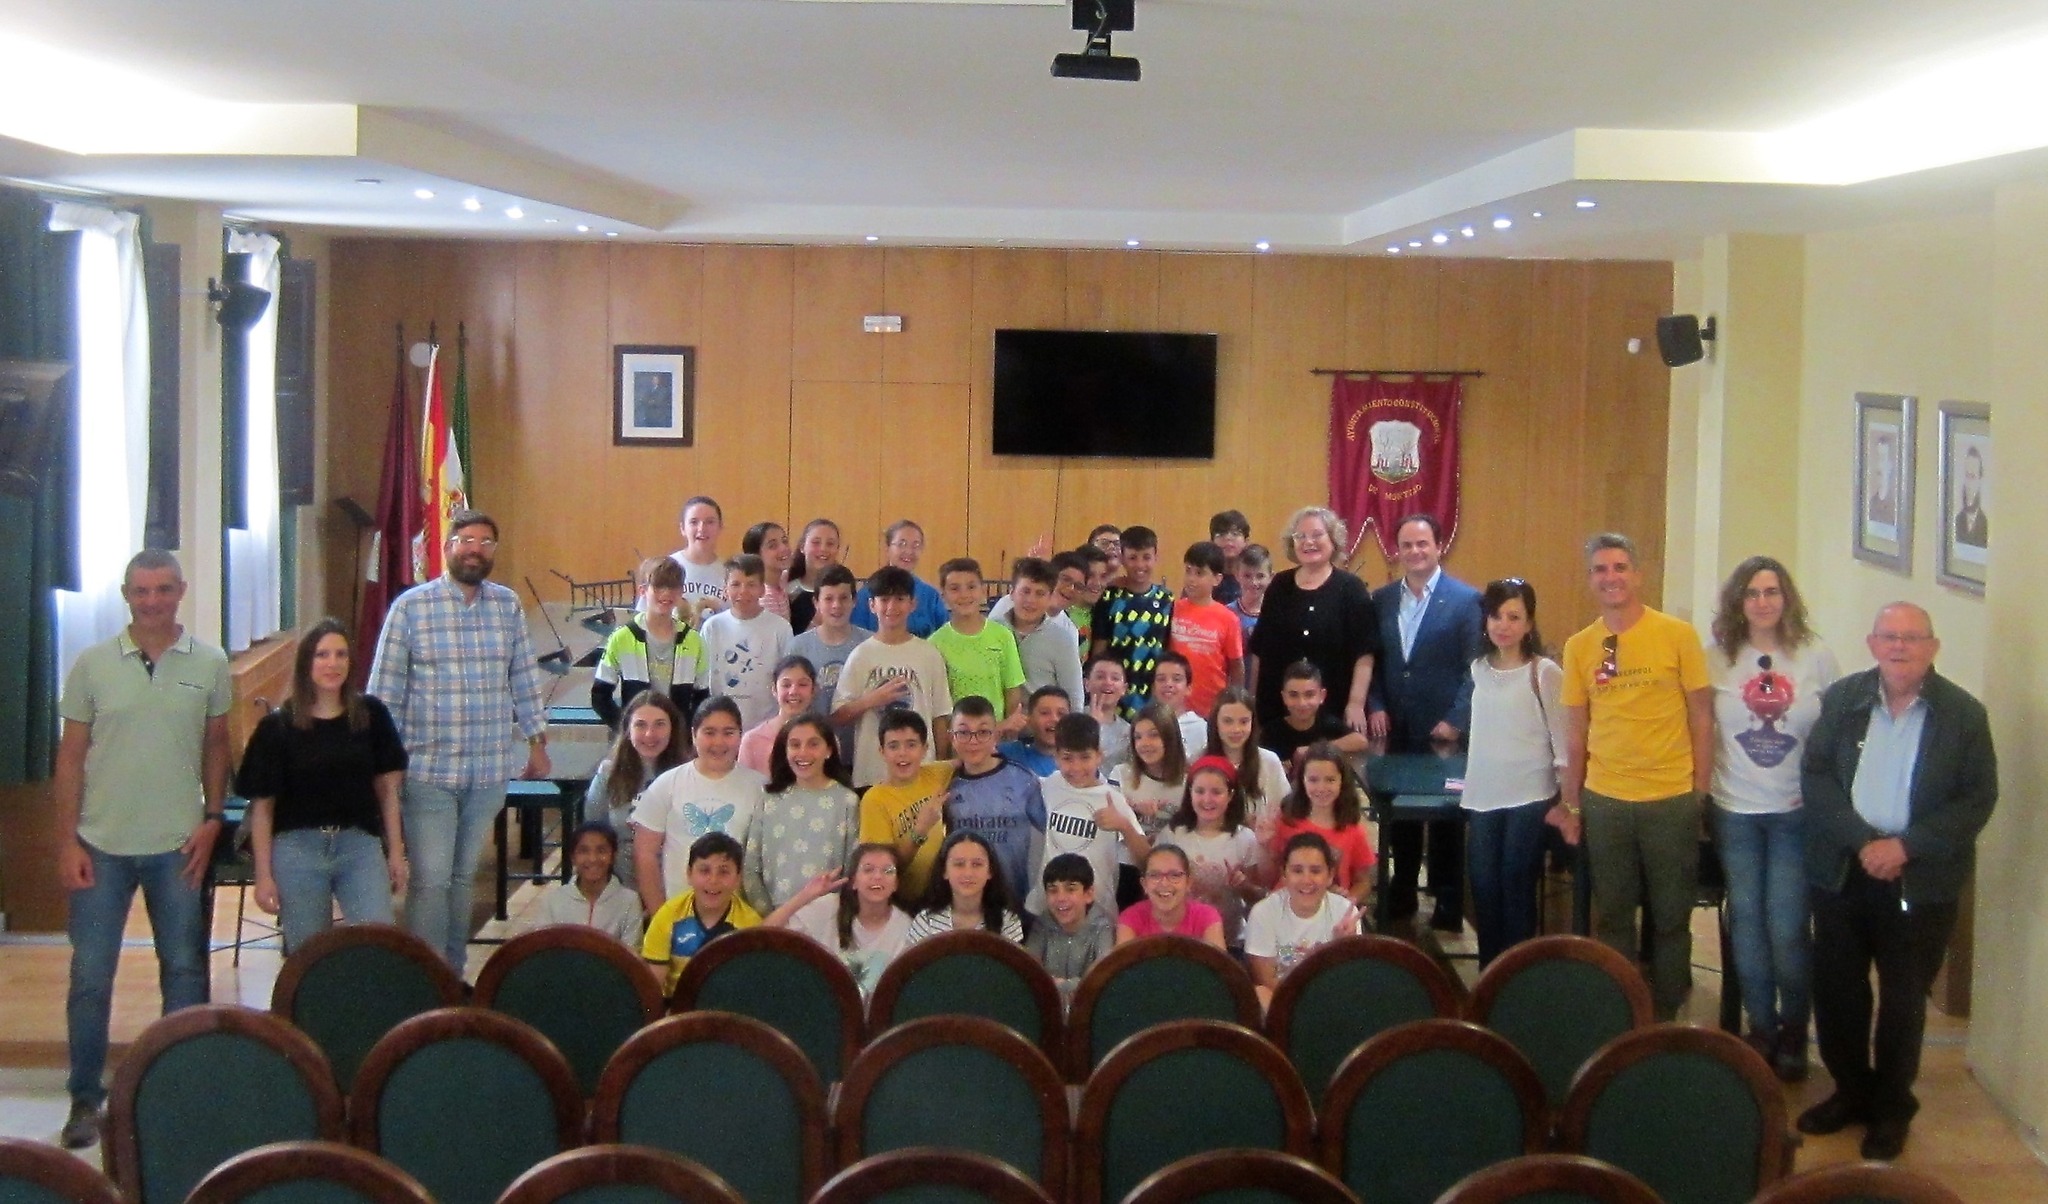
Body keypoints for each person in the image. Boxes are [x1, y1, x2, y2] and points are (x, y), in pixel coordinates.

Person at [1797, 603, 1995, 1161]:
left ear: (1932, 648)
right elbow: (1816, 775)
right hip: (1844, 869)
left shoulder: (1963, 715)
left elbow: (1978, 799)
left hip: (1919, 881)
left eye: (1913, 638)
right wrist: (1863, 841)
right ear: (1872, 643)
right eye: (1890, 637)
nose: (1900, 647)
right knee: (1837, 990)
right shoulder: (1843, 700)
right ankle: (1850, 1091)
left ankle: (1891, 1106)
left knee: (1905, 1000)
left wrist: (1906, 846)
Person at [53, 550, 232, 1147]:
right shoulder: (92, 665)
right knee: (90, 977)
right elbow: (71, 759)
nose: (151, 601)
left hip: (179, 846)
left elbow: (216, 745)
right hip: (100, 846)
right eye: (140, 591)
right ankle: (85, 1098)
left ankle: (181, 1093)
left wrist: (213, 819)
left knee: (183, 971)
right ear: (125, 595)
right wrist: (65, 841)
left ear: (181, 590)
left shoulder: (209, 662)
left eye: (162, 589)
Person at [367, 510, 549, 970]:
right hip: (428, 770)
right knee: (431, 879)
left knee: (464, 877)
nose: (475, 549)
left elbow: (524, 676)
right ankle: (427, 978)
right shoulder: (412, 607)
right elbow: (383, 692)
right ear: (447, 546)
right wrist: (380, 765)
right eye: (466, 540)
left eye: (486, 542)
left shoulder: (506, 605)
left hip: (488, 769)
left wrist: (536, 741)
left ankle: (452, 970)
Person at [1557, 532, 1713, 1021]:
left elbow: (1702, 718)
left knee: (1671, 915)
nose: (1611, 577)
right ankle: (1623, 1010)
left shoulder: (1678, 635)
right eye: (1601, 569)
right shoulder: (1580, 646)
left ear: (1639, 574)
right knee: (1613, 914)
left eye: (1620, 567)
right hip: (1606, 801)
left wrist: (1699, 794)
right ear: (1590, 581)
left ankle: (1667, 1012)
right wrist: (1572, 804)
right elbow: (1576, 734)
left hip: (1670, 800)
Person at [1708, 557, 1840, 1080]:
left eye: (1772, 591)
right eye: (1752, 593)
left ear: (1787, 598)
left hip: (1794, 813)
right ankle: (1759, 1027)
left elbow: (1835, 738)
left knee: (1786, 927)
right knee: (1746, 924)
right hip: (1734, 810)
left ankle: (1793, 1028)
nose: (1763, 602)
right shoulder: (1716, 658)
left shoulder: (1815, 657)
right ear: (1738, 603)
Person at [236, 619, 408, 954]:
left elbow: (387, 793)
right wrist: (263, 874)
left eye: (341, 655)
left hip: (358, 845)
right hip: (298, 849)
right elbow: (263, 809)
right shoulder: (277, 728)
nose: (333, 664)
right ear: (306, 664)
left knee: (379, 943)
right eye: (322, 655)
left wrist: (397, 853)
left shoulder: (371, 715)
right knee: (308, 954)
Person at [1368, 513, 1483, 934]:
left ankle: (1449, 903)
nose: (1415, 552)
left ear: (1439, 546)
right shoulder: (1381, 599)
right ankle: (1401, 891)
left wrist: (1455, 720)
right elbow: (1374, 662)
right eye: (1407, 545)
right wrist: (1376, 704)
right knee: (1400, 815)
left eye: (1423, 544)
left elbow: (1476, 669)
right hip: (1395, 728)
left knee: (1447, 818)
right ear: (1396, 551)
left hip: (1444, 733)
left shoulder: (1466, 600)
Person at [1462, 579, 1568, 968]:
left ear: (1529, 623)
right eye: (1496, 616)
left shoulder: (1544, 673)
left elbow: (1562, 741)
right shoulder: (1478, 669)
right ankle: (1489, 974)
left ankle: (1517, 977)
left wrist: (1567, 801)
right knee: (1484, 889)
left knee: (1515, 885)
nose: (1503, 625)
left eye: (1513, 617)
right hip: (1483, 797)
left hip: (1529, 796)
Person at [1246, 506, 1379, 733]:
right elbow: (1260, 648)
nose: (1309, 542)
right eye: (1301, 536)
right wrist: (1253, 700)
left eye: (1317, 535)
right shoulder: (1279, 585)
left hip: (1334, 710)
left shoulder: (1351, 588)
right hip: (1277, 711)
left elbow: (1364, 653)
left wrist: (1356, 703)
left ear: (1333, 540)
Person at [631, 697, 768, 913]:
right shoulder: (667, 784)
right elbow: (644, 854)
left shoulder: (760, 787)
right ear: (694, 735)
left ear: (740, 735)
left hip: (739, 917)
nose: (719, 742)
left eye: (728, 732)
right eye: (709, 732)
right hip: (679, 913)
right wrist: (662, 916)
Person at [835, 566, 955, 788]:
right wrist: (872, 700)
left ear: (912, 604)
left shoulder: (929, 654)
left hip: (921, 774)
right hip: (872, 775)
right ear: (872, 605)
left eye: (900, 599)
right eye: (884, 599)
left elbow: (940, 716)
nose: (891, 607)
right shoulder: (861, 655)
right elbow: (838, 715)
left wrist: (940, 767)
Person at [1026, 712, 1148, 924]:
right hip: (1049, 908)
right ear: (1055, 756)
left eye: (1085, 757)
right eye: (1067, 758)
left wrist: (1124, 826)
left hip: (1097, 914)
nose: (1076, 767)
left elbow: (1146, 859)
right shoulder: (1048, 785)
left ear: (1099, 756)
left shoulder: (1112, 799)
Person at [743, 714, 860, 912]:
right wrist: (770, 919)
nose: (803, 753)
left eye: (813, 744)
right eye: (795, 745)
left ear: (829, 750)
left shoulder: (847, 801)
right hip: (774, 918)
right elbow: (750, 867)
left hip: (827, 917)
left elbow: (852, 869)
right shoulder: (769, 799)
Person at [938, 696, 1048, 906]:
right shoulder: (946, 786)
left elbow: (1052, 834)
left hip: (1015, 902)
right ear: (952, 737)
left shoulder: (1024, 780)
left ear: (995, 735)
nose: (973, 741)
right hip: (967, 906)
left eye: (983, 732)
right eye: (963, 732)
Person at [763, 844, 912, 994]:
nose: (878, 877)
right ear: (853, 881)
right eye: (868, 870)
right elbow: (763, 935)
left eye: (888, 871)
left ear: (896, 884)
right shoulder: (827, 908)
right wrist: (806, 895)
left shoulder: (906, 926)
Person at [1159, 755, 1266, 951]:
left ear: (1231, 795)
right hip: (1180, 938)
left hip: (1230, 941)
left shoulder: (1245, 839)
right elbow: (1155, 884)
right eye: (1200, 791)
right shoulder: (1174, 834)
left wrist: (1243, 885)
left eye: (1216, 792)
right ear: (1189, 792)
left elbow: (1258, 898)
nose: (1207, 800)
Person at [584, 691, 687, 892]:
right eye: (640, 725)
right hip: (620, 888)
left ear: (672, 729)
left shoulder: (687, 774)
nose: (650, 734)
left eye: (659, 724)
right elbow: (592, 831)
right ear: (627, 729)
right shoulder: (608, 773)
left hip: (674, 888)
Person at [1245, 832, 1361, 1008]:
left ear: (1330, 875)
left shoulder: (1345, 912)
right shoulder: (1263, 913)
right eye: (1297, 871)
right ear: (1284, 874)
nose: (1307, 880)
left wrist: (1341, 945)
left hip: (1331, 1000)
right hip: (1283, 1002)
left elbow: (1349, 979)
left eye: (1315, 871)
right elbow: (1265, 979)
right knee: (1260, 994)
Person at [590, 557, 706, 729]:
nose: (666, 593)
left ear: (682, 591)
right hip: (634, 744)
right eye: (658, 586)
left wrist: (687, 735)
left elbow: (702, 698)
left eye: (673, 586)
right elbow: (600, 696)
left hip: (678, 744)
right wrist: (626, 730)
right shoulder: (622, 637)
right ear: (643, 591)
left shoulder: (694, 641)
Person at [642, 832, 761, 993]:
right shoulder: (668, 916)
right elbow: (652, 988)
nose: (713, 880)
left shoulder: (751, 925)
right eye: (704, 871)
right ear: (689, 874)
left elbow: (750, 988)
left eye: (724, 872)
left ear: (738, 878)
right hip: (676, 1008)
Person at [858, 711, 953, 903]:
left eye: (911, 745)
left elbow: (971, 757)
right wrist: (920, 830)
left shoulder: (935, 774)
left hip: (943, 896)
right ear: (882, 751)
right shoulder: (874, 800)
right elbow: (882, 871)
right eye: (893, 746)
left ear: (925, 748)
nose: (903, 753)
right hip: (902, 902)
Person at [695, 553, 795, 730]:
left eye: (751, 585)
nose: (743, 591)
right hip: (722, 726)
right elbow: (702, 677)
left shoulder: (780, 628)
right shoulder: (712, 627)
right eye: (735, 584)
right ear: (725, 589)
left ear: (762, 589)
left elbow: (788, 676)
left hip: (765, 725)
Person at [1270, 743, 1377, 908]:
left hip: (1330, 913)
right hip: (1287, 907)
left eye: (1330, 780)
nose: (1321, 787)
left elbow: (1363, 881)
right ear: (1302, 780)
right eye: (1313, 780)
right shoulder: (1286, 821)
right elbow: (1273, 869)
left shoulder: (1353, 831)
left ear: (1342, 781)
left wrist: (1348, 901)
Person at [930, 557, 1028, 735]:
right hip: (958, 741)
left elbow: (1012, 691)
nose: (964, 594)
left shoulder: (1002, 636)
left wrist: (1008, 736)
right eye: (954, 588)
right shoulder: (935, 643)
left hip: (997, 740)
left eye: (971, 587)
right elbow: (939, 708)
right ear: (943, 595)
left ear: (983, 591)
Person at [1090, 525, 1176, 718]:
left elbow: (1167, 647)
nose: (1140, 565)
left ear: (1156, 557)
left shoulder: (1166, 600)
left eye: (1146, 557)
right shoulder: (1110, 597)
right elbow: (1099, 649)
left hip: (1151, 694)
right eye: (1132, 558)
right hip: (1116, 692)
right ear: (1122, 558)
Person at [1110, 704, 1189, 905]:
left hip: (1172, 873)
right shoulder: (1121, 774)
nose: (1145, 743)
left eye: (1153, 735)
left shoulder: (1189, 781)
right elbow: (1114, 830)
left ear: (1169, 737)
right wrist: (1134, 813)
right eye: (1138, 737)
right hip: (1127, 871)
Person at [791, 564, 871, 755]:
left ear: (854, 601)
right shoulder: (798, 647)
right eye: (829, 599)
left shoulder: (870, 644)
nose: (836, 605)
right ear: (816, 603)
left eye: (844, 598)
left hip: (860, 753)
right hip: (813, 753)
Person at [905, 830, 1026, 945]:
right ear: (944, 871)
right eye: (959, 864)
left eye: (977, 864)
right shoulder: (926, 920)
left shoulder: (1008, 921)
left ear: (990, 871)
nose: (968, 873)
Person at [533, 823, 643, 946]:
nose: (592, 859)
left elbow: (630, 956)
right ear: (573, 857)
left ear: (613, 856)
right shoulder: (553, 901)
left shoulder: (629, 901)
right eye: (584, 851)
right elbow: (542, 951)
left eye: (601, 851)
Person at [992, 557, 1085, 701]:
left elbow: (1074, 696)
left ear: (1050, 597)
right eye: (1025, 591)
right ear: (1012, 592)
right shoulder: (993, 628)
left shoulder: (1063, 638)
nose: (1031, 600)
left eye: (1040, 594)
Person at [1170, 541, 1245, 719]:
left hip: (1211, 709)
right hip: (1175, 707)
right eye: (1188, 571)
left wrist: (1234, 703)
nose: (1191, 578)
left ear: (1217, 579)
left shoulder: (1228, 618)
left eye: (1199, 573)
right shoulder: (1172, 609)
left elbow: (1236, 666)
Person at [1026, 854, 1116, 1000]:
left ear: (1088, 894)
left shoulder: (1102, 927)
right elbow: (1028, 970)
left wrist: (1060, 985)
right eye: (1053, 890)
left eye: (1070, 889)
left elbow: (1102, 979)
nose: (1061, 898)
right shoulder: (1042, 923)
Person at [1204, 687, 1288, 833]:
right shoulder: (1199, 760)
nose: (1236, 729)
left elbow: (1285, 812)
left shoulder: (1269, 761)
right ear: (1215, 722)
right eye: (1228, 721)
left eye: (1243, 722)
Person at [1260, 661, 1367, 772]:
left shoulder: (1328, 724)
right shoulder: (1271, 733)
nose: (1302, 703)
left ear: (1322, 696)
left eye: (1309, 695)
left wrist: (1314, 750)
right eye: (1293, 695)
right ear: (1284, 697)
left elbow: (1360, 741)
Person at [852, 519, 949, 638]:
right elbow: (856, 637)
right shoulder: (867, 593)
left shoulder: (930, 595)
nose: (909, 551)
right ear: (887, 548)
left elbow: (945, 635)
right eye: (901, 544)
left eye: (916, 545)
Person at [1119, 845, 1227, 949]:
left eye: (1174, 875)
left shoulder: (1207, 917)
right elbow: (1122, 966)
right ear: (1144, 884)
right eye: (1155, 875)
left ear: (1188, 882)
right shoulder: (1130, 918)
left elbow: (1219, 966)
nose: (1164, 883)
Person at [737, 655, 817, 775]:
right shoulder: (752, 741)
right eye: (786, 685)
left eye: (802, 684)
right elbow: (744, 789)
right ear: (774, 689)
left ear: (814, 690)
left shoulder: (826, 739)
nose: (793, 691)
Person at [669, 495, 728, 617]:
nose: (701, 528)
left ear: (720, 527)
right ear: (683, 528)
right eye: (694, 522)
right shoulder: (666, 568)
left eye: (710, 522)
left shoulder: (730, 572)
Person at [785, 517, 845, 634]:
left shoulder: (844, 591)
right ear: (802, 547)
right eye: (816, 543)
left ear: (837, 549)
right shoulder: (788, 590)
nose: (823, 549)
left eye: (830, 544)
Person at [999, 686, 1069, 778]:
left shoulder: (1080, 760)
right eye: (1045, 713)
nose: (1054, 719)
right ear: (1029, 718)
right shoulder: (1010, 753)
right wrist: (1000, 728)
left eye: (1061, 714)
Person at [1149, 652, 1209, 754]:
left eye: (1176, 679)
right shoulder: (1144, 725)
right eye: (1161, 679)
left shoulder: (1201, 728)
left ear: (1188, 689)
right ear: (1153, 688)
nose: (1168, 684)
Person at [1083, 654, 1132, 767]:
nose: (1108, 682)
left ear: (1124, 689)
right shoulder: (1072, 719)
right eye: (1100, 677)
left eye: (1115, 678)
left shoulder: (1128, 732)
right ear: (1087, 684)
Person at [742, 520, 796, 622]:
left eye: (784, 541)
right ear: (756, 556)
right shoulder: (763, 598)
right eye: (772, 546)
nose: (784, 548)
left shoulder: (781, 580)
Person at [1229, 543, 1272, 643]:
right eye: (1247, 576)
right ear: (1237, 575)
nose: (1254, 582)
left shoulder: (1277, 614)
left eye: (1260, 576)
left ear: (1271, 577)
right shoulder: (1227, 613)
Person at [1208, 510, 1252, 607]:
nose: (1228, 538)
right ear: (1212, 541)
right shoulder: (1203, 577)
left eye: (1235, 534)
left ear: (1246, 541)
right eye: (1221, 534)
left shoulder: (1255, 579)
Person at [1954, 445, 1987, 547]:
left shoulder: (1986, 525)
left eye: (1972, 477)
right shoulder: (1957, 521)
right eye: (1966, 476)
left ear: (1980, 481)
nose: (1968, 484)